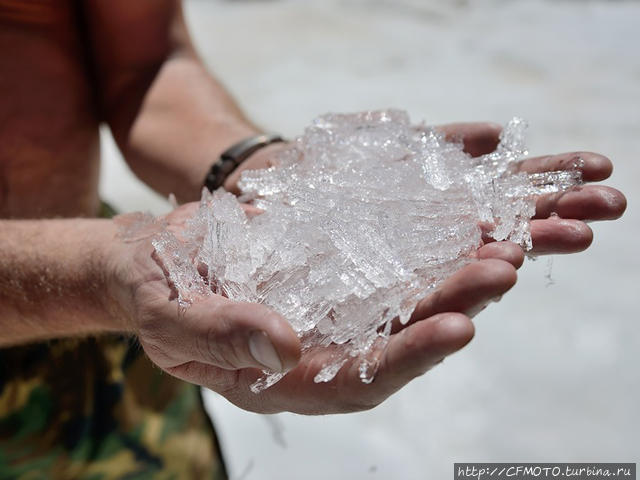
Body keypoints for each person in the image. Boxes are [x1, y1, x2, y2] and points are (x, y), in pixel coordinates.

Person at [0, 0, 626, 478]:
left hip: (108, 330)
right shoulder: (133, 275)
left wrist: (255, 166)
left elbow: (144, 66)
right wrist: (97, 271)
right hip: (102, 281)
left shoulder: (150, 276)